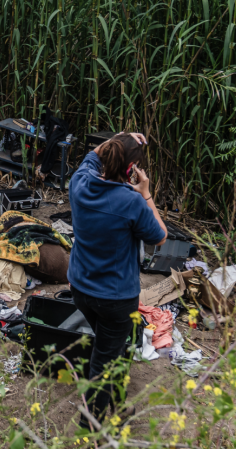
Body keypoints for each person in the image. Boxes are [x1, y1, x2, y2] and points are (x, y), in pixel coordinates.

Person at [67, 132, 167, 429]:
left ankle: (117, 400)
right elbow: (160, 236)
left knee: (109, 347)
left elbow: (93, 155)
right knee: (103, 358)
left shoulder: (80, 182)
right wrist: (145, 192)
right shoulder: (131, 201)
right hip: (115, 298)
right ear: (131, 169)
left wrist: (122, 139)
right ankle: (91, 424)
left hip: (80, 288)